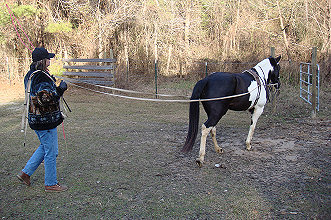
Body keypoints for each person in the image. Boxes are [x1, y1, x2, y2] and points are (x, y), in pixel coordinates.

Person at [17, 47, 68, 192]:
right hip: (44, 121)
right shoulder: (40, 76)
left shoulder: (31, 74)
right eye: (48, 58)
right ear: (42, 61)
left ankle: (25, 173)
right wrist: (60, 90)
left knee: (47, 148)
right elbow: (44, 98)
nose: (50, 60)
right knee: (51, 152)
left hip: (39, 120)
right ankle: (51, 183)